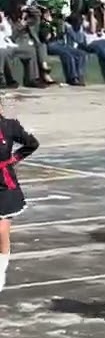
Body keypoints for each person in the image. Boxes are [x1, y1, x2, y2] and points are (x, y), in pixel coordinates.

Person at [0, 103, 38, 292]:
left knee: (1, 231)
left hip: (4, 185)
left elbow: (32, 143)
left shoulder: (9, 126)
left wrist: (13, 159)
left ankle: (0, 272)